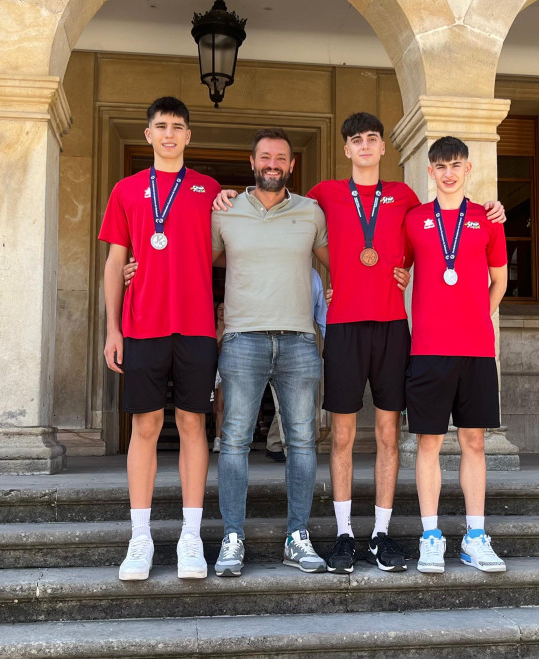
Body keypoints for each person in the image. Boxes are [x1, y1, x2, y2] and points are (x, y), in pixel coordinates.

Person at [214, 112, 506, 575]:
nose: (365, 146)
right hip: (344, 328)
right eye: (357, 140)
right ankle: (346, 534)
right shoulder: (323, 196)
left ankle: (382, 534)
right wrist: (228, 195)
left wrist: (492, 208)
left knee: (389, 435)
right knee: (343, 437)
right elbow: (277, 205)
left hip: (393, 327)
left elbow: (444, 223)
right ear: (346, 149)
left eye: (373, 138)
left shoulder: (406, 198)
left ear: (383, 148)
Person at [99, 96, 221, 582]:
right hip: (143, 325)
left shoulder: (210, 190)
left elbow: (239, 244)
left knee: (194, 426)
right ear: (147, 135)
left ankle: (191, 536)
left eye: (177, 127)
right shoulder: (126, 190)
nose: (169, 134)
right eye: (160, 126)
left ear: (189, 136)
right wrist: (113, 328)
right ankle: (141, 537)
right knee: (144, 428)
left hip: (196, 328)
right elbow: (114, 261)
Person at [211, 128, 330, 577]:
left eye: (281, 157)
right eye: (265, 157)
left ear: (292, 164)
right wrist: (137, 267)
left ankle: (297, 537)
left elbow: (337, 260)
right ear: (252, 161)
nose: (273, 163)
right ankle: (232, 537)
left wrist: (394, 273)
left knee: (301, 442)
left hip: (300, 339)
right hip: (243, 338)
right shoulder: (225, 211)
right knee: (235, 440)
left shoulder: (311, 212)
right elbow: (189, 260)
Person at [402, 136, 509, 575]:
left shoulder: (489, 219)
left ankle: (475, 535)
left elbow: (499, 281)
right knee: (428, 442)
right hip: (427, 349)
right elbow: (396, 271)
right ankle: (431, 536)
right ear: (431, 171)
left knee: (475, 441)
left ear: (469, 170)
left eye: (456, 165)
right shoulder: (413, 220)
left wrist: (474, 318)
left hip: (476, 350)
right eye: (441, 165)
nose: (448, 172)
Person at [264, 268, 328, 463]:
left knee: (293, 403)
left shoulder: (312, 275)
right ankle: (289, 452)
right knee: (286, 404)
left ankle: (279, 446)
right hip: (267, 340)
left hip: (300, 342)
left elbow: (323, 315)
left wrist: (334, 348)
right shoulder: (268, 270)